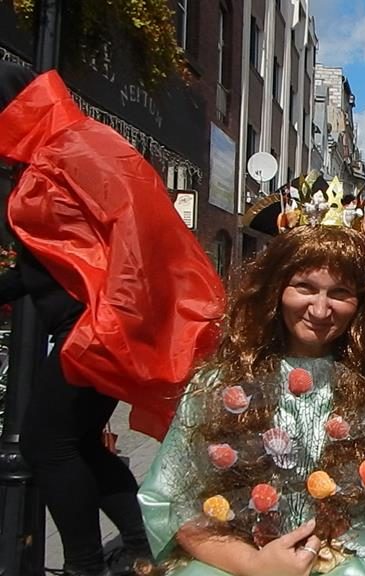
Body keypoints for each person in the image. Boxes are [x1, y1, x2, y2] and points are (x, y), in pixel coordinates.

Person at [139, 186, 365, 575]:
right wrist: (256, 565)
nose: (320, 310)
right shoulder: (222, 378)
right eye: (305, 287)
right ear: (275, 290)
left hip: (349, 557)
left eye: (340, 293)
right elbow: (175, 505)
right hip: (239, 556)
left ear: (359, 302)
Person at [0, 64, 224, 576]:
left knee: (46, 444)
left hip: (97, 326)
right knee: (74, 442)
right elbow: (51, 261)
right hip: (92, 322)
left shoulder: (74, 147)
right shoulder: (53, 150)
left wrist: (112, 324)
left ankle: (87, 566)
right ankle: (145, 549)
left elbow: (140, 236)